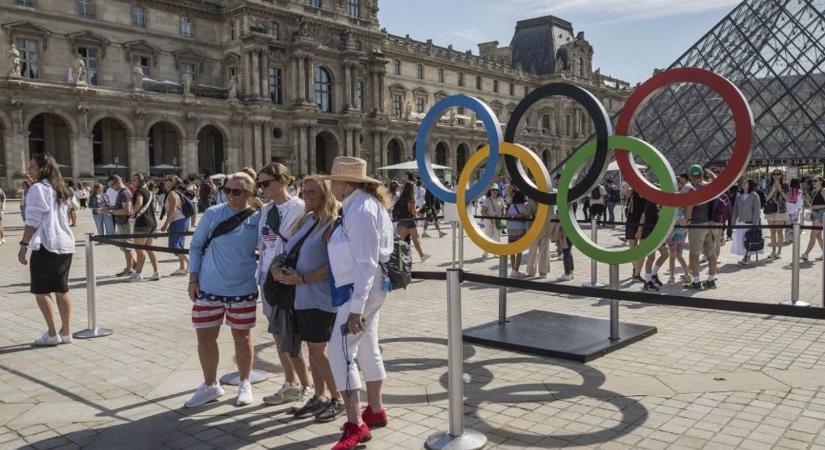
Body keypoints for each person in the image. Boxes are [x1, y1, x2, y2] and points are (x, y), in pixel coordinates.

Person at [325, 156, 393, 450]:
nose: (331, 186)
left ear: (343, 183)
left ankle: (355, 423)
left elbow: (366, 263)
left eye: (332, 181)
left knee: (339, 350)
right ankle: (375, 409)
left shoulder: (362, 210)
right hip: (363, 288)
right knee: (367, 345)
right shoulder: (360, 204)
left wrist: (355, 309)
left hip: (360, 290)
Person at [185, 172, 260, 408]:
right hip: (209, 286)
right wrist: (193, 279)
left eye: (236, 191)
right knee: (205, 336)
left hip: (242, 287)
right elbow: (196, 247)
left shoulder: (259, 218)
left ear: (249, 193)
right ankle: (210, 385)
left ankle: (245, 382)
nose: (230, 195)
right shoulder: (213, 213)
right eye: (226, 190)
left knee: (243, 336)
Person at [274, 176, 344, 422]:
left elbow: (333, 264)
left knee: (318, 351)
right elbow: (289, 250)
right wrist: (278, 268)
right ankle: (319, 396)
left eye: (313, 192)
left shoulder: (333, 223)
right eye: (304, 192)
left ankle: (338, 399)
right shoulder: (308, 220)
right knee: (312, 350)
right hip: (300, 297)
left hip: (320, 296)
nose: (307, 196)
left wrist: (303, 279)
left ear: (326, 193)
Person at [255, 163, 314, 407]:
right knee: (277, 333)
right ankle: (291, 383)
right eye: (259, 184)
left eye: (266, 183)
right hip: (268, 281)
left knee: (290, 336)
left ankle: (306, 385)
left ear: (283, 181)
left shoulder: (299, 208)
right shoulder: (265, 210)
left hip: (288, 281)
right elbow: (263, 246)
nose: (262, 188)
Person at [17, 154, 75, 346]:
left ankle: (52, 334)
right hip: (65, 243)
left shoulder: (38, 189)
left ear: (43, 169)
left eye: (32, 166)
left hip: (46, 244)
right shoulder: (60, 188)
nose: (28, 169)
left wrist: (23, 246)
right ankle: (66, 332)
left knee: (41, 291)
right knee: (61, 288)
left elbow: (32, 222)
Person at [683, 164, 718, 290]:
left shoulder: (692, 188)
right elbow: (717, 180)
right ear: (702, 174)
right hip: (711, 224)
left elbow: (689, 209)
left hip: (697, 224)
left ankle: (696, 282)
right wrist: (711, 173)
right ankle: (711, 280)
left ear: (691, 176)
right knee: (711, 253)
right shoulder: (708, 185)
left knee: (694, 254)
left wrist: (687, 220)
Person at [100, 175, 135, 278]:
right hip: (121, 222)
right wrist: (109, 208)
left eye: (111, 185)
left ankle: (130, 269)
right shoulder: (121, 192)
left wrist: (110, 211)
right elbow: (120, 207)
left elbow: (127, 210)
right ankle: (131, 266)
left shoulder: (125, 192)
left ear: (117, 182)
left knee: (127, 247)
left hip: (125, 223)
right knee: (125, 247)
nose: (111, 187)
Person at [130, 173, 160, 282]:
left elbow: (139, 203)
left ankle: (138, 273)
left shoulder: (139, 191)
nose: (131, 182)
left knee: (139, 249)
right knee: (150, 249)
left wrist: (132, 213)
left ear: (140, 181)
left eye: (134, 180)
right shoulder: (148, 192)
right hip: (152, 223)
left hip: (142, 223)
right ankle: (156, 272)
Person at [636, 196, 668, 291]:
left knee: (665, 254)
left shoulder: (663, 202)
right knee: (651, 257)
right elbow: (644, 216)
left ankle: (653, 274)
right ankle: (648, 281)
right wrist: (639, 230)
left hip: (658, 232)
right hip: (648, 232)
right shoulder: (651, 201)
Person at [160, 176, 190, 276]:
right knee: (179, 245)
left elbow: (173, 210)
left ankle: (191, 264)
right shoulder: (172, 192)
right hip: (179, 220)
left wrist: (165, 224)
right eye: (165, 180)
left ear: (173, 183)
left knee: (175, 245)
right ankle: (183, 267)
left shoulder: (172, 193)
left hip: (179, 220)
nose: (165, 182)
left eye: (168, 180)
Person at [393, 181, 428, 262]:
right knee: (415, 239)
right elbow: (413, 212)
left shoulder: (401, 197)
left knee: (399, 240)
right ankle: (422, 255)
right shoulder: (411, 199)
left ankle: (395, 257)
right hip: (410, 221)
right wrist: (420, 208)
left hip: (402, 220)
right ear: (412, 189)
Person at [731, 179, 762, 265]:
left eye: (745, 183)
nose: (743, 184)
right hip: (740, 223)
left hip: (750, 222)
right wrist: (733, 223)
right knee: (742, 241)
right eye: (743, 183)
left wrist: (754, 224)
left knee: (749, 241)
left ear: (750, 185)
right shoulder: (739, 196)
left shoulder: (754, 196)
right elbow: (735, 211)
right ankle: (745, 257)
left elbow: (757, 211)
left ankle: (747, 258)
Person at [764, 169, 789, 259]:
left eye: (778, 174)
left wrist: (780, 189)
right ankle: (773, 251)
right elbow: (766, 199)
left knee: (779, 231)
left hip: (781, 210)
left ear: (781, 175)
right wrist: (773, 189)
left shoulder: (785, 185)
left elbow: (787, 198)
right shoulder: (769, 185)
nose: (776, 175)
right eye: (774, 174)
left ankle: (779, 252)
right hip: (770, 210)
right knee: (772, 232)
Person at [624, 187, 647, 282]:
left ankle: (637, 272)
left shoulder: (646, 194)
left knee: (641, 249)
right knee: (632, 249)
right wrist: (632, 183)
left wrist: (640, 228)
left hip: (642, 222)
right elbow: (624, 191)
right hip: (631, 221)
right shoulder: (631, 192)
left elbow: (645, 213)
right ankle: (636, 270)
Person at [506, 190, 530, 277]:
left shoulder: (511, 207)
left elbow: (507, 216)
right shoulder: (525, 206)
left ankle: (513, 270)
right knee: (519, 251)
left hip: (510, 230)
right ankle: (516, 270)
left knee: (512, 250)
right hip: (520, 230)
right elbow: (527, 215)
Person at [802, 176, 825, 261]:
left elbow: (817, 205)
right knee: (818, 236)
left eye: (815, 181)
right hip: (815, 214)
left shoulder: (823, 191)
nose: (813, 182)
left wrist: (816, 206)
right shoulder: (815, 191)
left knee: (813, 235)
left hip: (820, 215)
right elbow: (812, 205)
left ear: (821, 182)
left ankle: (806, 254)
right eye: (812, 181)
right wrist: (807, 199)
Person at [480, 187, 505, 259]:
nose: (494, 191)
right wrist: (489, 218)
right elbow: (483, 211)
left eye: (496, 190)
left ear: (498, 191)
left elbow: (503, 208)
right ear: (490, 191)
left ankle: (496, 252)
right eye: (492, 190)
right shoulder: (487, 200)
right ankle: (486, 253)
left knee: (498, 236)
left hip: (498, 220)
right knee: (488, 236)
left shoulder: (501, 199)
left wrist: (503, 215)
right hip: (488, 221)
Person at [786, 178, 802, 244]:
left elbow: (786, 200)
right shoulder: (799, 191)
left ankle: (787, 238)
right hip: (795, 210)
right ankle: (793, 238)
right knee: (794, 225)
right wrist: (799, 210)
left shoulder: (789, 191)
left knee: (788, 224)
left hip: (788, 210)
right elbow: (798, 202)